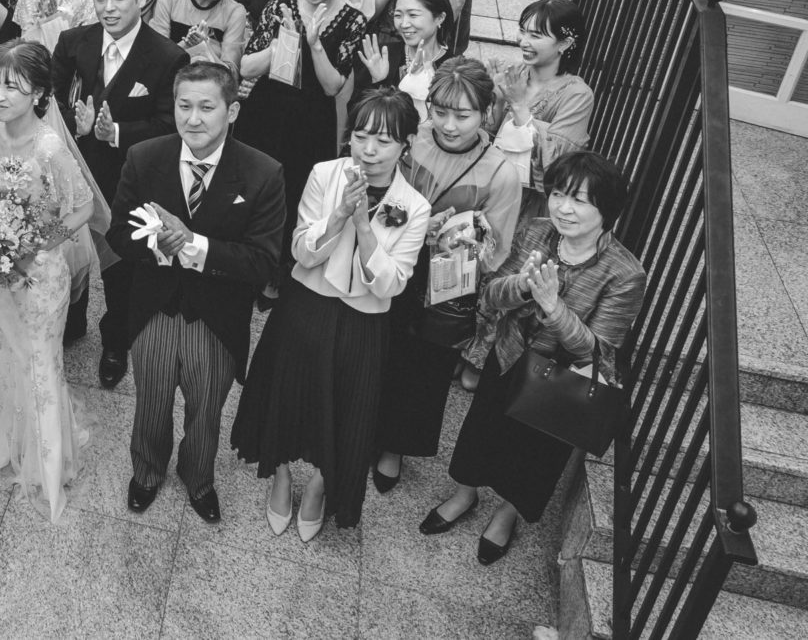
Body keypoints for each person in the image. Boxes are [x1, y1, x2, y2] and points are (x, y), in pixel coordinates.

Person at [422, 152, 645, 565]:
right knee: (481, 431)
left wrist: (554, 307)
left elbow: (596, 350)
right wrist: (523, 287)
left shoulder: (624, 274)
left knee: (534, 455)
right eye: (558, 194)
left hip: (559, 380)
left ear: (607, 209)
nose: (563, 207)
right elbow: (490, 293)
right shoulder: (538, 231)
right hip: (509, 355)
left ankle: (507, 513)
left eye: (579, 200)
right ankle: (465, 494)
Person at [231, 90, 431, 539]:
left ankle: (321, 484)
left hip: (364, 319)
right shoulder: (325, 174)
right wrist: (339, 215)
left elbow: (391, 284)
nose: (369, 150)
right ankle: (281, 473)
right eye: (361, 136)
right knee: (287, 393)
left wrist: (363, 226)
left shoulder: (414, 206)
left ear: (406, 145)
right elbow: (301, 251)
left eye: (383, 140)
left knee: (345, 408)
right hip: (307, 302)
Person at [110, 61, 284, 524]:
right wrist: (157, 246)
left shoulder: (263, 172)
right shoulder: (144, 157)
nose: (193, 118)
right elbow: (117, 235)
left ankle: (198, 477)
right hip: (155, 305)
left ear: (232, 110)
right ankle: (147, 472)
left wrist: (194, 244)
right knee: (150, 400)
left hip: (217, 315)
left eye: (207, 107)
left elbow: (263, 261)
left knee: (207, 407)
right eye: (184, 106)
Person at [0, 40, 106, 522]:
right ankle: (3, 441)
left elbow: (83, 206)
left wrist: (39, 243)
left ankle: (46, 463)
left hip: (40, 275)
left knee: (40, 362)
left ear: (40, 93)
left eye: (13, 87)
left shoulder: (49, 147)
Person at [372, 60, 522, 494]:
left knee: (424, 368)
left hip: (448, 277)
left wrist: (460, 238)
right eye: (440, 112)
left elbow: (498, 252)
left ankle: (395, 446)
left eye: (463, 115)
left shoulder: (500, 172)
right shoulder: (411, 141)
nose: (449, 125)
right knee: (376, 347)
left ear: (486, 113)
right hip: (392, 253)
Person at [51, 0, 188, 377]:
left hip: (127, 180)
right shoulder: (73, 41)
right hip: (74, 171)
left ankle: (115, 341)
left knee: (122, 266)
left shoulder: (167, 56)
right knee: (68, 251)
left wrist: (115, 132)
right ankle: (71, 321)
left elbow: (170, 126)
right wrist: (73, 122)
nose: (108, 8)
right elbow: (50, 98)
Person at [239, 0, 370, 262]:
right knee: (251, 188)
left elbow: (332, 86)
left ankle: (282, 267)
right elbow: (247, 67)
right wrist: (284, 42)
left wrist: (314, 44)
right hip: (267, 111)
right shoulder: (279, 6)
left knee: (298, 194)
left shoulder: (353, 20)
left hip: (311, 122)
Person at [490, 0, 594, 219]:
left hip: (529, 205)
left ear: (565, 43)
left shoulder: (577, 95)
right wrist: (495, 100)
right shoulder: (515, 73)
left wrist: (518, 105)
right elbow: (486, 135)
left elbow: (557, 163)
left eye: (535, 36)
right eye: (522, 31)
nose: (523, 41)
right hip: (491, 186)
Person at [359, 0, 458, 118]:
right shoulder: (381, 56)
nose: (404, 24)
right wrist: (379, 83)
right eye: (398, 15)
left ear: (439, 18)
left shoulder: (455, 69)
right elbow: (358, 114)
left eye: (413, 15)